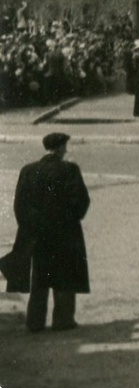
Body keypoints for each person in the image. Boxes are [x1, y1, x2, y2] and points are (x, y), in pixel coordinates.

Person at [2, 132, 91, 332]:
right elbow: (81, 201)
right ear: (60, 148)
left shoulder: (28, 170)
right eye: (65, 147)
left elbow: (20, 205)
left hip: (37, 233)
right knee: (65, 275)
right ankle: (63, 320)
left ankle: (35, 322)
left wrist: (31, 226)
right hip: (64, 233)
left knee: (40, 276)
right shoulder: (70, 169)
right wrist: (70, 221)